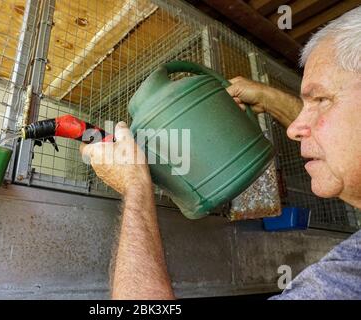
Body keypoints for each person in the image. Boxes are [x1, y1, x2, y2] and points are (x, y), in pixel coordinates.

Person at [80, 7, 361, 300]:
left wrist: (135, 188)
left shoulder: (346, 278)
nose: (294, 130)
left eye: (321, 99)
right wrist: (269, 97)